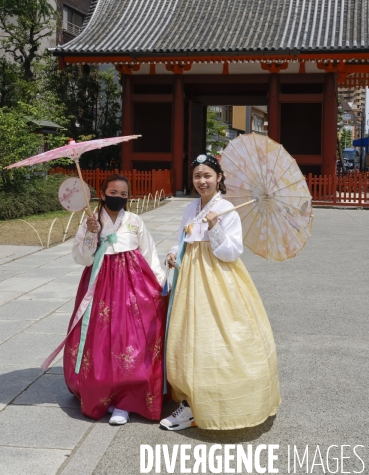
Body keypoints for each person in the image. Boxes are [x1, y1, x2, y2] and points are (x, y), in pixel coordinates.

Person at [160, 154, 281, 431]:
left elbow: (231, 252)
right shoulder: (190, 208)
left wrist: (215, 227)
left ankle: (220, 402)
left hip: (218, 280)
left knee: (217, 337)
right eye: (197, 176)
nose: (202, 181)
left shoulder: (227, 209)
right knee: (187, 336)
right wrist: (171, 254)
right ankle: (190, 402)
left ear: (219, 178)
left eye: (207, 176)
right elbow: (182, 237)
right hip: (189, 277)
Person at [64, 174, 167, 426]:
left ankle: (126, 400)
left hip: (133, 285)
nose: (118, 197)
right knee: (99, 339)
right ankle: (103, 393)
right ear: (102, 194)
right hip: (99, 284)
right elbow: (82, 258)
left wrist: (160, 282)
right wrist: (90, 234)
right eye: (113, 192)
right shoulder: (90, 220)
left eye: (123, 194)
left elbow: (148, 252)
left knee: (130, 339)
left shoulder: (135, 221)